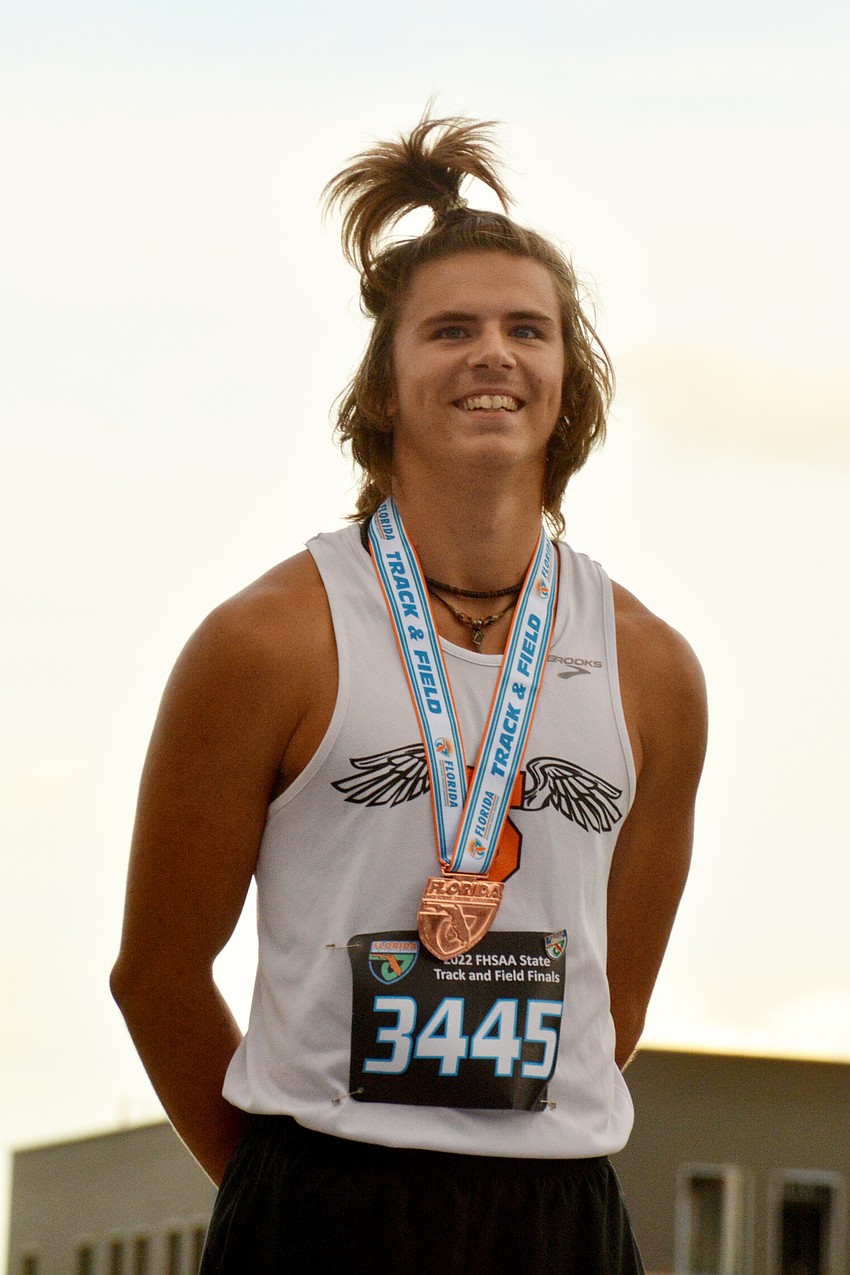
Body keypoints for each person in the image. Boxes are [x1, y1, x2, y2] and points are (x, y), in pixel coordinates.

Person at [111, 114, 707, 1273]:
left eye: (525, 329)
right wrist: (285, 1190)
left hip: (559, 1217)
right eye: (450, 330)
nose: (493, 353)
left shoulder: (653, 668)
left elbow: (609, 1010)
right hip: (322, 1201)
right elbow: (156, 975)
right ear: (383, 387)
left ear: (565, 382)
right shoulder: (266, 644)